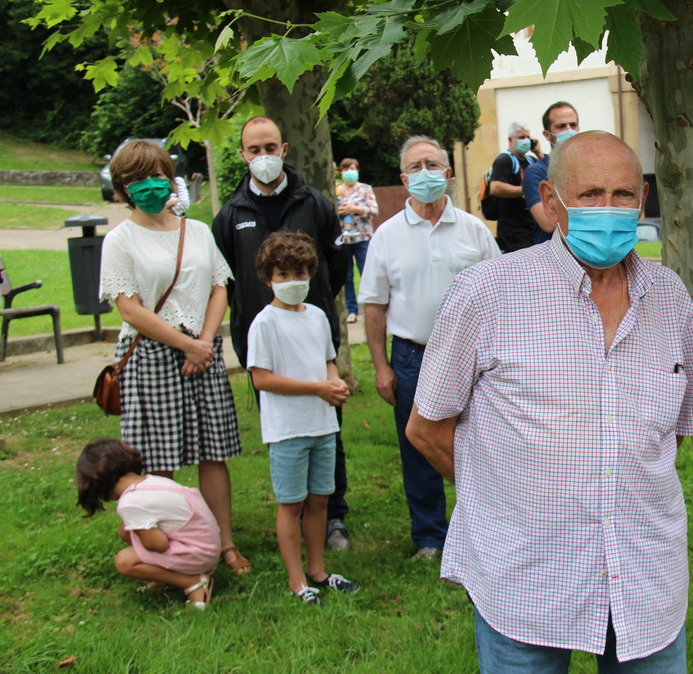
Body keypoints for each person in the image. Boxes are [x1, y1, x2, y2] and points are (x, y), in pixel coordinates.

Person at [406, 131, 693, 672]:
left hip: (645, 578)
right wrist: (504, 499)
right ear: (550, 200)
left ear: (642, 198)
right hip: (525, 578)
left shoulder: (670, 297)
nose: (608, 209)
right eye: (590, 194)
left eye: (622, 194)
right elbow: (427, 428)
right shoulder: (486, 293)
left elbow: (671, 435)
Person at [98, 139, 248, 577]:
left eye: (156, 175)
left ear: (170, 177)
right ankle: (167, 551)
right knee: (156, 461)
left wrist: (204, 342)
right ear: (123, 188)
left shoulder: (196, 231)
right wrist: (186, 346)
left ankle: (225, 543)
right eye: (137, 179)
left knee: (213, 452)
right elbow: (129, 309)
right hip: (151, 355)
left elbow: (220, 287)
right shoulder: (119, 240)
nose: (149, 185)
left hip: (203, 351)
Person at [211, 116, 352, 552]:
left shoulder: (315, 204)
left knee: (327, 427)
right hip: (264, 345)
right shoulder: (230, 215)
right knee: (284, 432)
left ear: (284, 149)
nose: (263, 157)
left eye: (270, 148)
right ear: (243, 155)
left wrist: (314, 305)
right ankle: (293, 509)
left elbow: (336, 264)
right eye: (254, 150)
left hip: (312, 338)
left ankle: (332, 514)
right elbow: (225, 279)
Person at [358, 135, 500, 562]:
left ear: (448, 172)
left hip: (473, 357)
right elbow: (374, 307)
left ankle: (486, 526)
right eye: (415, 167)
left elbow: (499, 295)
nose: (425, 173)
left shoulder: (474, 230)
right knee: (419, 446)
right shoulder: (386, 236)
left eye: (432, 165)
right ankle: (430, 537)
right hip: (413, 357)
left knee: (481, 443)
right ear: (403, 179)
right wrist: (381, 367)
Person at [248, 231, 356, 605]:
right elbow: (261, 378)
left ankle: (318, 571)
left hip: (322, 424)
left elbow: (327, 361)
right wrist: (317, 389)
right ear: (268, 278)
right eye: (284, 274)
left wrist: (334, 382)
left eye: (300, 273)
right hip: (288, 429)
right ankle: (297, 581)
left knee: (320, 501)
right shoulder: (264, 323)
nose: (293, 281)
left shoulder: (318, 317)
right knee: (291, 504)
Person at [76, 439, 220, 608]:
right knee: (125, 531)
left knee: (125, 562)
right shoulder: (152, 481)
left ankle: (192, 582)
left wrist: (142, 534)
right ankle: (168, 578)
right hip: (207, 547)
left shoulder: (131, 502)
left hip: (198, 555)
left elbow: (158, 544)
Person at [522, 101, 580, 245]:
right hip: (554, 255)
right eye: (561, 126)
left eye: (573, 125)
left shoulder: (590, 168)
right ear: (547, 135)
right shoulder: (536, 173)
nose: (569, 130)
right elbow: (549, 223)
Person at [336, 157, 379, 325]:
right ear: (341, 172)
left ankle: (372, 309)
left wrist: (354, 209)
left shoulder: (365, 189)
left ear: (357, 171)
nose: (349, 172)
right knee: (346, 277)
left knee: (367, 273)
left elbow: (374, 210)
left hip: (363, 237)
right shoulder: (336, 189)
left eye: (352, 169)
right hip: (343, 239)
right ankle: (352, 310)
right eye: (346, 169)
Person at [487, 122, 539, 251]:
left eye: (528, 137)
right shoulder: (504, 160)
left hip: (533, 226)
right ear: (510, 140)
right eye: (521, 137)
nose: (526, 140)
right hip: (513, 229)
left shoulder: (531, 160)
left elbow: (548, 173)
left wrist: (538, 152)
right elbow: (496, 187)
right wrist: (527, 190)